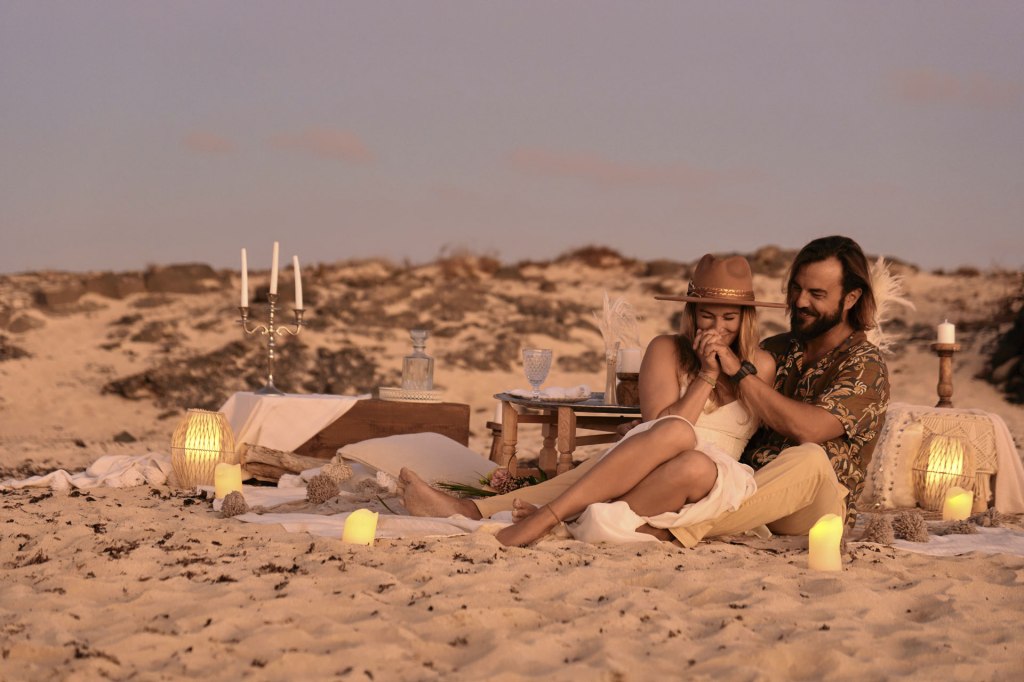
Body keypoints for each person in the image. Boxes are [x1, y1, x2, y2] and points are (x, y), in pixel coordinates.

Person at [401, 236, 890, 549]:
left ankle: (660, 531)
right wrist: (698, 381)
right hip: (730, 483)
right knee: (651, 448)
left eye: (816, 295)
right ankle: (480, 511)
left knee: (808, 458)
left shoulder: (863, 365)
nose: (800, 302)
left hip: (813, 501)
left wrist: (734, 374)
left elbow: (808, 428)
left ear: (850, 299)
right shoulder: (778, 348)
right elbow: (666, 423)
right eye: (797, 290)